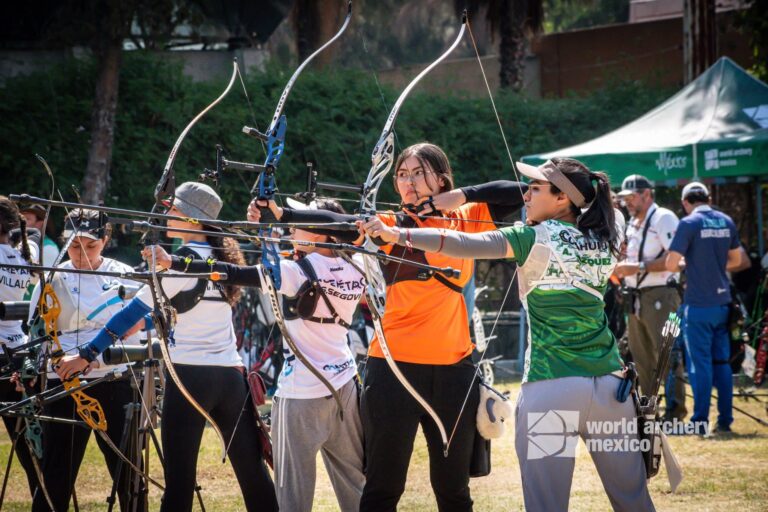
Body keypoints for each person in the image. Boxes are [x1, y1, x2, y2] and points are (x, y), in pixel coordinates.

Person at [362, 158, 655, 511]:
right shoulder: (607, 234)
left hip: (552, 387)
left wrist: (398, 234)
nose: (525, 196)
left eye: (535, 189)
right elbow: (604, 209)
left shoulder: (531, 237)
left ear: (562, 198)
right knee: (634, 500)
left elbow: (460, 243)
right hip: (612, 388)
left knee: (547, 505)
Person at [252, 142, 527, 511]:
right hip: (394, 370)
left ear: (441, 179)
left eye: (418, 173)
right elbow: (341, 225)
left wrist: (458, 196)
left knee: (454, 490)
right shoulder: (389, 224)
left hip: (454, 370)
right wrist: (281, 213)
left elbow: (521, 192)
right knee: (383, 489)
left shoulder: (466, 215)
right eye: (402, 174)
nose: (408, 182)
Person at [55, 182, 278, 512]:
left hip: (190, 378)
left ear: (192, 218)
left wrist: (87, 354)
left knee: (179, 483)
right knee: (253, 474)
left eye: (173, 209)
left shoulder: (180, 262)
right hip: (230, 378)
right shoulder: (218, 256)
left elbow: (131, 313)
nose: (167, 214)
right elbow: (175, 311)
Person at [151, 197, 366, 512]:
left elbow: (230, 272)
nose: (291, 229)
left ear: (320, 233)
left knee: (293, 496)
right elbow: (298, 256)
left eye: (300, 223)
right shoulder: (358, 266)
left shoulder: (294, 273)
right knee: (355, 486)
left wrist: (176, 263)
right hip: (345, 384)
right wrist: (265, 229)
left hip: (302, 393)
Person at [28, 209, 143, 511]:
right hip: (65, 382)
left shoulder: (124, 274)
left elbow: (140, 326)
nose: (82, 254)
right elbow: (37, 333)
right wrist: (44, 364)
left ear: (105, 240)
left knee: (128, 472)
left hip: (115, 379)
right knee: (56, 474)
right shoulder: (52, 277)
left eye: (91, 245)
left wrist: (95, 355)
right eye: (74, 246)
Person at [665, 182, 746, 434]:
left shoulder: (688, 223)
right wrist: (714, 266)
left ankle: (699, 423)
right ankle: (725, 421)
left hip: (698, 304)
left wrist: (688, 264)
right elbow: (737, 260)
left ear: (685, 202)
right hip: (723, 304)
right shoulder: (725, 221)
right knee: (722, 363)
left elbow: (670, 264)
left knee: (699, 365)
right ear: (708, 199)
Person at [613, 174, 686, 422]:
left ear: (647, 194)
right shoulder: (634, 222)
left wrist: (637, 267)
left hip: (661, 294)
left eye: (632, 197)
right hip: (636, 296)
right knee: (641, 356)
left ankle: (675, 411)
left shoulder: (663, 217)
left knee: (667, 353)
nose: (628, 202)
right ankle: (648, 410)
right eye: (625, 198)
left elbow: (676, 260)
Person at [0, 195, 43, 500]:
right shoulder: (25, 255)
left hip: (5, 355)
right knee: (28, 444)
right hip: (18, 351)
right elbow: (35, 236)